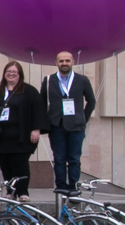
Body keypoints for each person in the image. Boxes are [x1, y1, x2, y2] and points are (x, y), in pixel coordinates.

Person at [0, 60, 43, 199]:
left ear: (20, 74)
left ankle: (22, 192)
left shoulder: (29, 91)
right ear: (4, 74)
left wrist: (36, 129)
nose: (11, 74)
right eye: (8, 72)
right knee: (5, 166)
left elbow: (38, 110)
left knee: (20, 165)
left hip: (21, 137)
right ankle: (10, 191)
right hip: (1, 137)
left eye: (14, 72)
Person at [39, 52, 95, 195]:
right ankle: (61, 186)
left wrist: (83, 118)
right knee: (59, 158)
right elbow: (41, 103)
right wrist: (45, 122)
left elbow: (91, 101)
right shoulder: (48, 80)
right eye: (61, 61)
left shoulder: (82, 80)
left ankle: (74, 186)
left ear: (73, 62)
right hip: (56, 126)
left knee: (74, 158)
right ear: (56, 62)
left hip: (76, 126)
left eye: (67, 61)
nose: (64, 63)